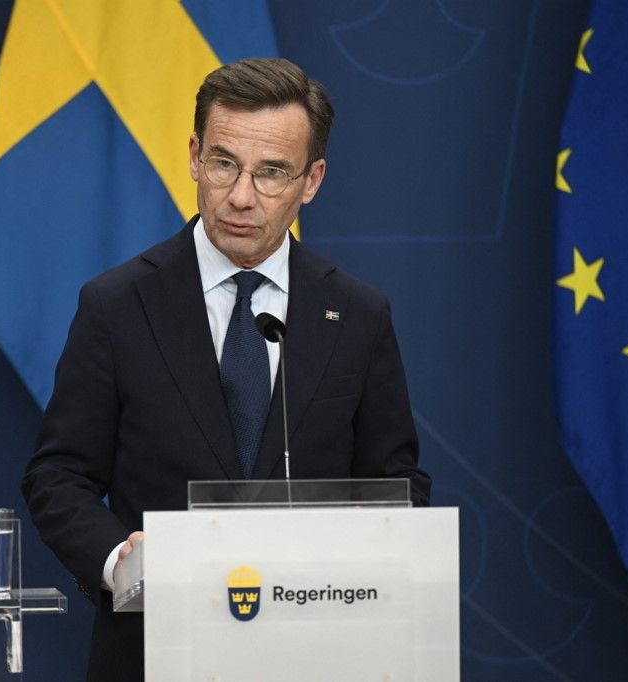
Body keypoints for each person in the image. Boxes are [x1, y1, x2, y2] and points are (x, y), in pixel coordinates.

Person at [22, 57, 430, 681]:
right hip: (155, 649)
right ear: (193, 156)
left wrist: (348, 564)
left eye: (271, 173)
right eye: (223, 164)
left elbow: (396, 486)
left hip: (316, 654)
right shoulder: (116, 305)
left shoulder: (356, 316)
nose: (241, 196)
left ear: (312, 179)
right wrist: (118, 562)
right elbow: (59, 474)